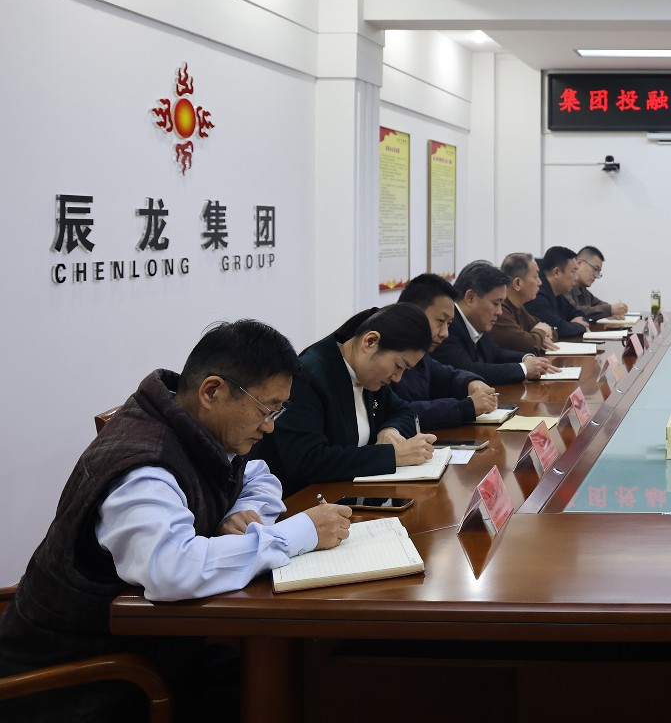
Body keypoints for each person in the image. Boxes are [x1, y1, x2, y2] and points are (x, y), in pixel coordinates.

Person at [0, 320, 352, 722]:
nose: (270, 425)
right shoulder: (144, 468)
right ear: (212, 391)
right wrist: (298, 533)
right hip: (82, 683)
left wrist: (237, 514)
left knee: (307, 678)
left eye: (277, 410)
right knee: (293, 694)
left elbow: (258, 476)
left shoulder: (197, 427)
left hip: (161, 651)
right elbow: (172, 570)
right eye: (265, 408)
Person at [256, 304, 437, 496]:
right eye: (398, 366)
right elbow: (307, 461)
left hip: (350, 494)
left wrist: (390, 430)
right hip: (301, 501)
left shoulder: (370, 377)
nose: (398, 378)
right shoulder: (309, 376)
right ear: (370, 341)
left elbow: (404, 412)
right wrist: (393, 456)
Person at [393, 272, 503, 427]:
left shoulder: (421, 354)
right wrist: (464, 407)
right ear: (412, 312)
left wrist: (472, 383)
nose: (445, 333)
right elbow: (398, 412)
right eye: (440, 321)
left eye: (449, 323)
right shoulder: (386, 352)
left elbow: (448, 376)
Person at [435, 261, 557, 383]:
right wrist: (524, 369)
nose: (499, 312)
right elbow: (467, 370)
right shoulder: (447, 325)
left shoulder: (476, 322)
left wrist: (526, 358)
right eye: (495, 303)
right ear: (470, 297)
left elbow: (495, 353)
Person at [489, 252, 560, 354]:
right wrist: (540, 334)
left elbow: (552, 332)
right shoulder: (500, 309)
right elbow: (528, 345)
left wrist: (538, 335)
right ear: (517, 283)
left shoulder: (518, 307)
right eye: (535, 277)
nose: (540, 282)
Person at [527, 245, 590, 340]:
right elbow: (559, 329)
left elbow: (578, 314)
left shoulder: (557, 292)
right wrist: (580, 326)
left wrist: (575, 323)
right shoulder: (537, 295)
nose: (576, 278)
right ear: (556, 272)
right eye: (573, 272)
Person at [566, 245, 628, 321]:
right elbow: (575, 311)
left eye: (598, 272)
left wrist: (612, 312)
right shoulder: (564, 286)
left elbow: (598, 304)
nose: (596, 276)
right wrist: (610, 310)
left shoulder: (582, 289)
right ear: (579, 263)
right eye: (595, 269)